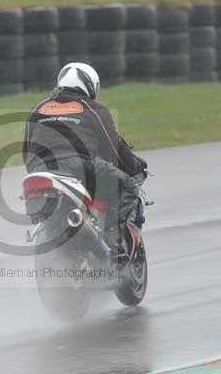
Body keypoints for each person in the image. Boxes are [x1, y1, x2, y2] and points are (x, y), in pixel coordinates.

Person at [22, 62, 147, 258]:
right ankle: (115, 244)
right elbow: (113, 148)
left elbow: (26, 152)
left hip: (40, 171)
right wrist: (136, 167)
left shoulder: (38, 108)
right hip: (80, 165)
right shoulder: (93, 108)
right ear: (91, 86)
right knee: (127, 186)